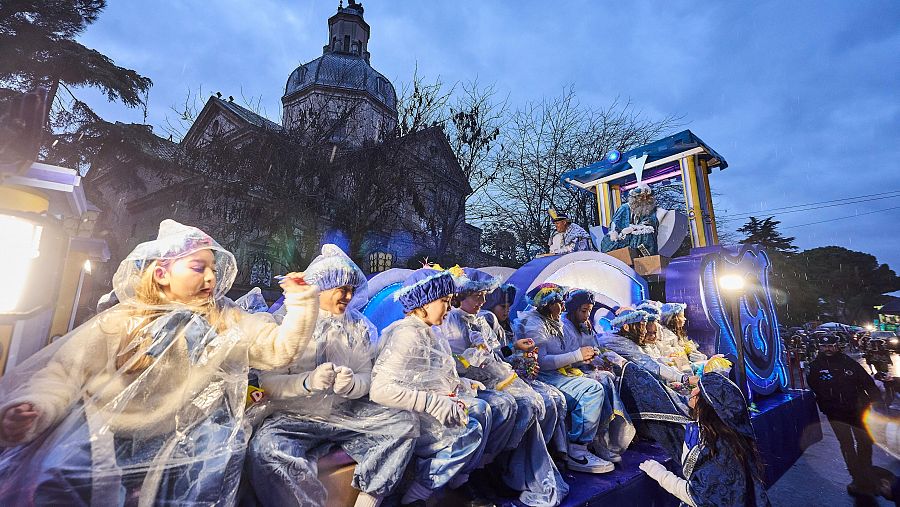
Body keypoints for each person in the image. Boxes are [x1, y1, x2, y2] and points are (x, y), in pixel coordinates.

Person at [0, 219, 319, 505]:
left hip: (185, 445)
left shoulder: (225, 319)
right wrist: (38, 407)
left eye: (213, 270)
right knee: (65, 480)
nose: (210, 277)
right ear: (162, 273)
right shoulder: (125, 320)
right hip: (109, 435)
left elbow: (279, 350)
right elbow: (64, 373)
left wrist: (301, 301)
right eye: (198, 267)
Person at [245, 245, 418, 507]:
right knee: (264, 450)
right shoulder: (288, 320)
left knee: (404, 423)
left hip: (345, 414)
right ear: (321, 287)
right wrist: (307, 382)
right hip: (294, 417)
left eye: (351, 289)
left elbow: (366, 374)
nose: (349, 296)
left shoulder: (358, 325)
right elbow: (268, 382)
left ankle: (369, 497)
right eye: (342, 289)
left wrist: (353, 385)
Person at [369, 268, 491, 507]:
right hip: (405, 414)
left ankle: (459, 482)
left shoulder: (430, 331)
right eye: (443, 301)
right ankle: (415, 498)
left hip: (423, 406)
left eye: (449, 301)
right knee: (468, 431)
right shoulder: (406, 335)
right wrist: (433, 403)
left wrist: (462, 384)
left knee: (479, 415)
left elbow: (430, 376)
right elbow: (380, 390)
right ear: (423, 302)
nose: (448, 307)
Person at [515, 283, 615, 473]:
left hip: (561, 372)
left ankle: (597, 442)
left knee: (602, 380)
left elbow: (568, 352)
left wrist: (589, 358)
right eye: (558, 302)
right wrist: (577, 356)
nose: (562, 305)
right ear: (547, 304)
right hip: (543, 377)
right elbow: (542, 362)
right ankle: (577, 451)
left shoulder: (556, 322)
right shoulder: (534, 324)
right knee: (592, 389)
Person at [639, 371, 771, 507]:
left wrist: (661, 475)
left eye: (700, 389)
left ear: (711, 404)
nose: (693, 391)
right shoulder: (709, 430)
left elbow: (701, 498)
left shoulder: (723, 447)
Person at [482, 283, 570, 459]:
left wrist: (526, 362)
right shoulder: (486, 321)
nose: (506, 311)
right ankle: (510, 457)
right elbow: (490, 357)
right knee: (535, 402)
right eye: (502, 306)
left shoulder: (507, 326)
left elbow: (509, 355)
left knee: (555, 398)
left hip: (512, 376)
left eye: (509, 307)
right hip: (493, 380)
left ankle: (548, 451)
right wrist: (516, 354)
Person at [560, 289, 635, 462]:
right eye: (583, 311)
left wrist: (600, 362)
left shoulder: (584, 325)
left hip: (584, 368)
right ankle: (591, 441)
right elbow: (567, 356)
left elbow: (594, 349)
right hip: (568, 371)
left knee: (609, 376)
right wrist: (585, 361)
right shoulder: (564, 326)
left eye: (589, 311)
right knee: (602, 381)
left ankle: (605, 439)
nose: (587, 315)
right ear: (572, 309)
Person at [807, 332, 883, 496]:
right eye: (824, 346)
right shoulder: (815, 367)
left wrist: (876, 401)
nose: (827, 349)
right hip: (835, 414)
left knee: (864, 442)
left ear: (837, 346)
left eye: (831, 345)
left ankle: (866, 473)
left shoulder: (849, 363)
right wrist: (826, 403)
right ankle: (856, 477)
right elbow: (814, 386)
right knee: (847, 445)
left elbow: (867, 382)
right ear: (819, 347)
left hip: (857, 411)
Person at [600, 184, 659, 255]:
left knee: (646, 235)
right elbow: (615, 225)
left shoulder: (648, 210)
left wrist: (634, 228)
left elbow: (650, 223)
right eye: (641, 197)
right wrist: (617, 233)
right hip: (623, 237)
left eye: (646, 197)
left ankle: (645, 257)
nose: (644, 199)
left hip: (635, 235)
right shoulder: (624, 208)